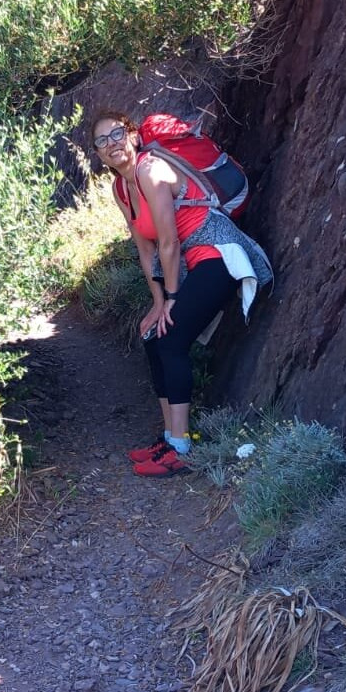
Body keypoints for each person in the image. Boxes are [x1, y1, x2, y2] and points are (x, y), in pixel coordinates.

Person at [91, 110, 273, 478]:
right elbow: (146, 249)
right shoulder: (121, 188)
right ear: (97, 155)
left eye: (116, 135)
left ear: (134, 136)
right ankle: (170, 435)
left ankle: (182, 448)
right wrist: (157, 302)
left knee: (171, 338)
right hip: (192, 261)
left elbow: (170, 243)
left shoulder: (149, 169)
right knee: (152, 335)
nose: (112, 145)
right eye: (101, 141)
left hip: (219, 253)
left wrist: (171, 300)